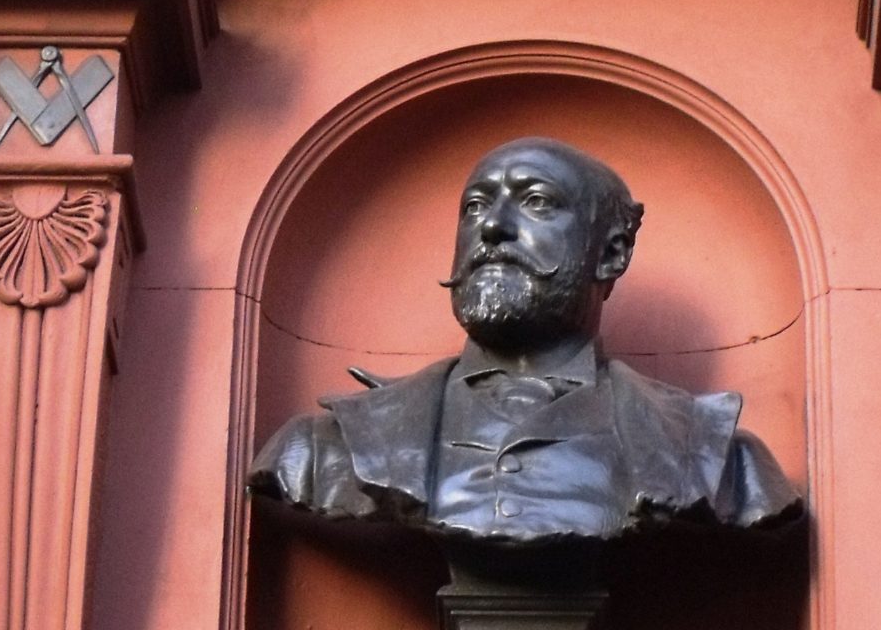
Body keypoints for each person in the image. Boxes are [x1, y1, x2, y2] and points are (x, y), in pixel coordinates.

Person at [248, 138, 799, 546]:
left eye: (536, 202)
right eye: (475, 206)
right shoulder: (322, 450)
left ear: (611, 254)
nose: (492, 228)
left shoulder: (716, 456)